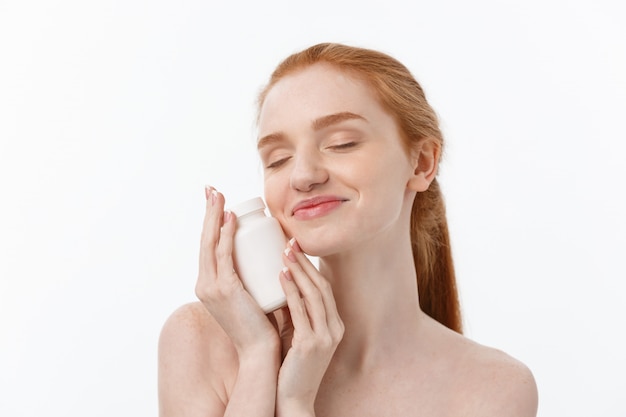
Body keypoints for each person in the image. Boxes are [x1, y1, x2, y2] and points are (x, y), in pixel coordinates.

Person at [158, 42, 538, 417]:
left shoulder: (493, 389)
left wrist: (295, 404)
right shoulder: (201, 341)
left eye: (341, 143)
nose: (303, 175)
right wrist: (258, 357)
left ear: (422, 162)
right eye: (278, 159)